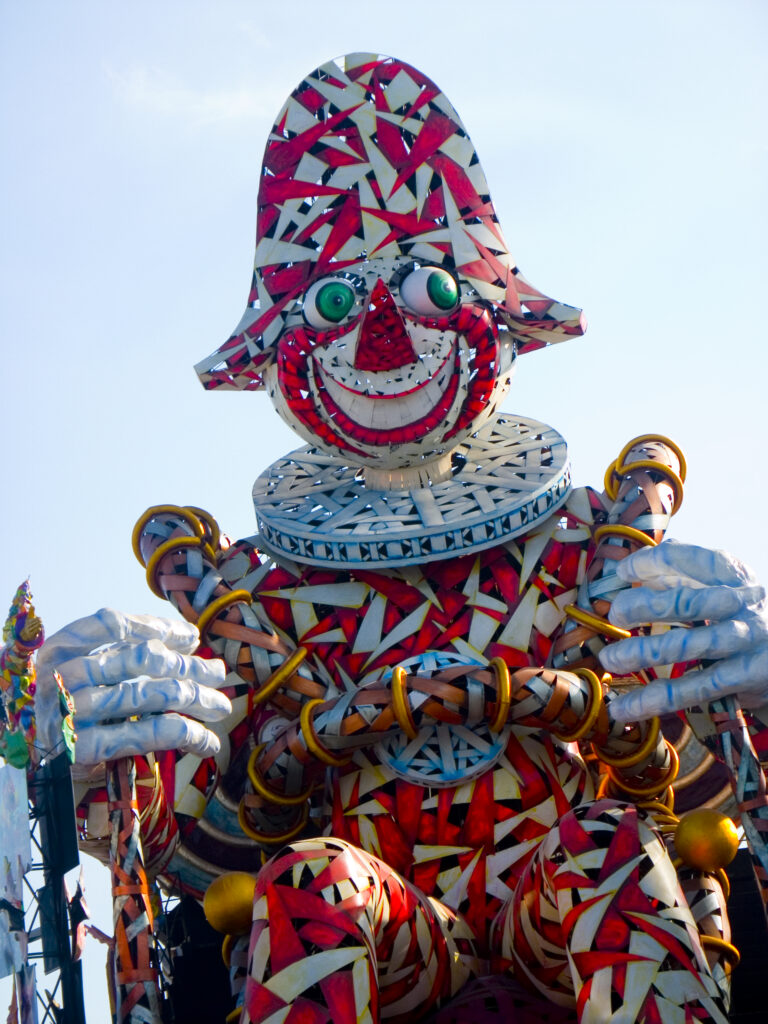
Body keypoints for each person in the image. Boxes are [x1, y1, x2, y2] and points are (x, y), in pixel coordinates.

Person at [38, 55, 768, 1024]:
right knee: (311, 883)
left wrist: (751, 690)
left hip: (575, 898)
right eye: (335, 305)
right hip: (385, 929)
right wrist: (83, 759)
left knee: (609, 849)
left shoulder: (598, 550)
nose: (381, 342)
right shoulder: (253, 598)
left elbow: (720, 780)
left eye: (427, 293)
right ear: (279, 340)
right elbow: (191, 848)